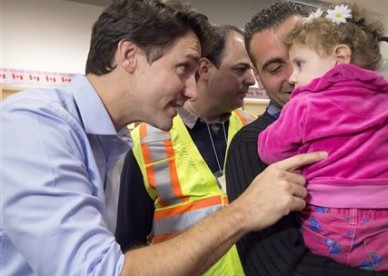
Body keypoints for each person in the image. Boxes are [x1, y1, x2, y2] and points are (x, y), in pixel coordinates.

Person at [0, 1, 324, 275]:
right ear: (129, 56)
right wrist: (243, 212)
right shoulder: (37, 126)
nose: (192, 90)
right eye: (183, 68)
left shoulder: (108, 142)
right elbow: (100, 270)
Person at [225, 1, 388, 275]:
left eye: (300, 60)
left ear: (338, 55)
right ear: (259, 78)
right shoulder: (248, 144)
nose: (294, 77)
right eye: (276, 67)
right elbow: (278, 268)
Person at [115, 24, 256, 275]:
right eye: (240, 69)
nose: (252, 79)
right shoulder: (146, 142)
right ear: (204, 69)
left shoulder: (253, 132)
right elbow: (129, 243)